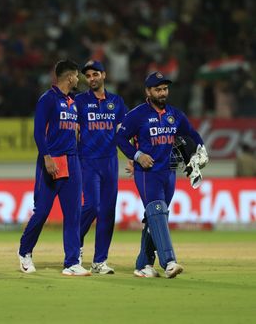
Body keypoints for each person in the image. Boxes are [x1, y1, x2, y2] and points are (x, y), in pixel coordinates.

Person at [116, 71, 208, 278]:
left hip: (169, 173)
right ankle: (169, 262)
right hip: (147, 173)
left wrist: (201, 148)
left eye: (165, 88)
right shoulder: (137, 114)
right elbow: (120, 139)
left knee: (155, 218)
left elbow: (191, 134)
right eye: (158, 89)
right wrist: (137, 155)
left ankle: (142, 264)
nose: (162, 92)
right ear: (148, 91)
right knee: (157, 211)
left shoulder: (175, 115)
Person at [18, 60, 90, 276]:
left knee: (73, 215)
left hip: (72, 160)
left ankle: (71, 263)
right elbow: (39, 132)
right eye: (77, 76)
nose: (79, 80)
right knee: (41, 212)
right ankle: (24, 252)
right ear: (69, 77)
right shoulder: (47, 100)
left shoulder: (73, 101)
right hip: (52, 162)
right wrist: (46, 157)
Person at [75, 60, 128, 274]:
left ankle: (99, 261)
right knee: (92, 206)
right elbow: (72, 130)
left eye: (95, 74)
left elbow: (124, 133)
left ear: (104, 75)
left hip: (110, 161)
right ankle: (74, 244)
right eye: (87, 76)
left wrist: (132, 157)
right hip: (87, 160)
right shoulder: (79, 101)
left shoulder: (116, 101)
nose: (91, 79)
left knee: (107, 211)